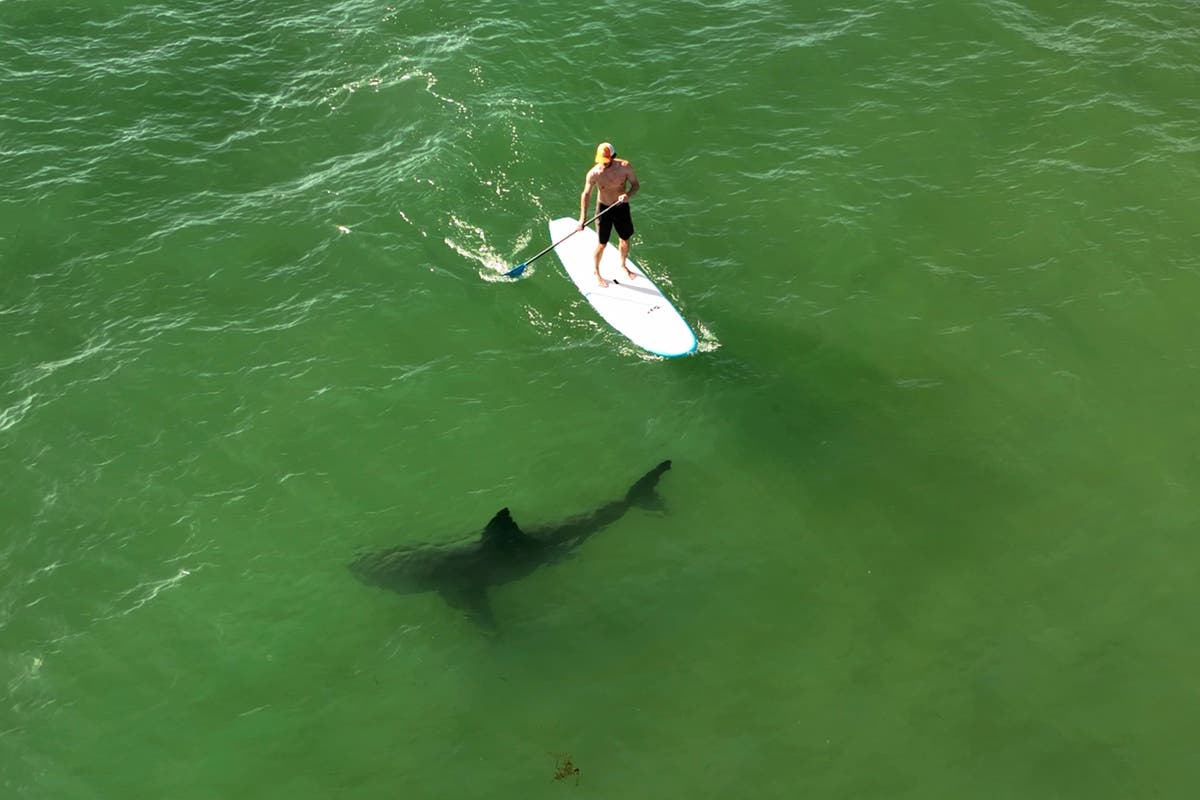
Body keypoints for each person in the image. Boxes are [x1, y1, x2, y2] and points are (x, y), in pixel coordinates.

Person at [578, 142, 640, 288]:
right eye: (600, 161)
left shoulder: (625, 167)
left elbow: (636, 185)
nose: (602, 164)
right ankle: (597, 272)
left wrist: (627, 195)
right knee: (602, 244)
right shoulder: (594, 173)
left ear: (613, 157)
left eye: (605, 161)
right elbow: (586, 194)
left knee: (625, 239)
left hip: (621, 207)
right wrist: (582, 219)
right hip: (603, 208)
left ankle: (623, 265)